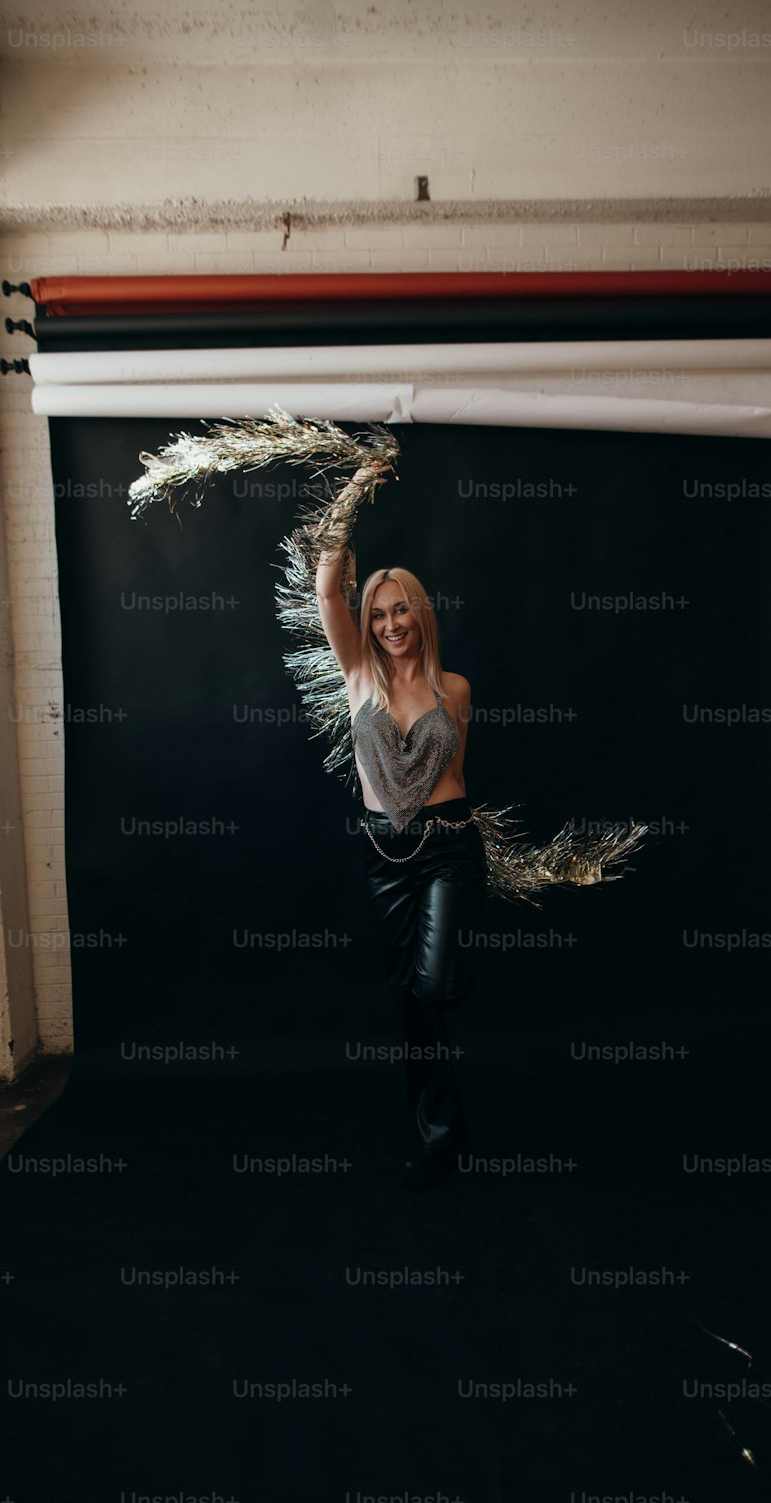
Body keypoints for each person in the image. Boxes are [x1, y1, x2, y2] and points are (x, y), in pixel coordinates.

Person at [314, 461, 488, 1189]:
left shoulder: (455, 689)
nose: (388, 624)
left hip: (448, 845)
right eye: (378, 613)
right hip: (383, 853)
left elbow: (458, 776)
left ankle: (442, 1125)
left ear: (421, 612)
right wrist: (354, 490)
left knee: (434, 985)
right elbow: (327, 584)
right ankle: (441, 1137)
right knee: (412, 1005)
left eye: (400, 610)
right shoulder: (357, 673)